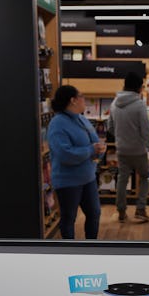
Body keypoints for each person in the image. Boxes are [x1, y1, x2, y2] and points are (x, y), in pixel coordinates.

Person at [47, 85, 106, 239]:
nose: (84, 99)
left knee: (94, 213)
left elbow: (93, 142)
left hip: (88, 177)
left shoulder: (81, 118)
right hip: (68, 181)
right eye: (81, 96)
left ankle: (91, 248)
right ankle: (69, 252)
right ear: (73, 100)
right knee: (68, 218)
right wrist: (91, 150)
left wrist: (100, 149)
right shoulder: (57, 124)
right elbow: (65, 155)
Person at [108, 71, 149, 223]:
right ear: (138, 87)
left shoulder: (114, 103)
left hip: (122, 149)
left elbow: (110, 127)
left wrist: (121, 136)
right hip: (138, 151)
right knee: (146, 176)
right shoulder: (139, 105)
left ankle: (121, 212)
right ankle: (141, 209)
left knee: (122, 179)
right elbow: (146, 131)